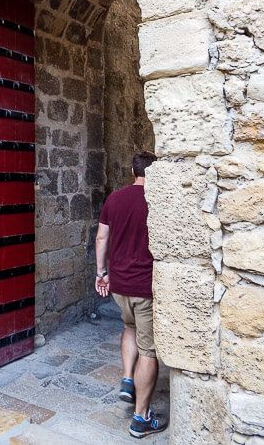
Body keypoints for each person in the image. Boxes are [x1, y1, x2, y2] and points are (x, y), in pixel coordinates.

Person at [94, 152, 167, 439]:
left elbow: (102, 237)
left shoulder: (115, 199)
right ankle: (141, 418)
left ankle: (127, 378)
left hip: (119, 284)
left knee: (129, 328)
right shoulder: (157, 201)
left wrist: (102, 273)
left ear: (132, 170)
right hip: (145, 286)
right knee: (149, 351)